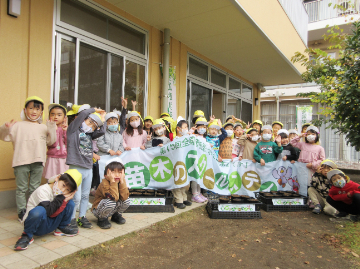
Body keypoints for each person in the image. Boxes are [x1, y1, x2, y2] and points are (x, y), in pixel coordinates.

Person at [0, 96, 57, 220]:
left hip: (38, 161)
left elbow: (51, 141)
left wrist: (51, 127)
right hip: (21, 161)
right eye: (31, 108)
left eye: (37, 109)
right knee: (21, 189)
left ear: (41, 112)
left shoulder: (43, 127)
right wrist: (5, 127)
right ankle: (21, 211)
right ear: (25, 110)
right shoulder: (17, 126)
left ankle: (32, 210)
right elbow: (3, 136)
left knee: (34, 188)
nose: (34, 111)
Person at [14, 169, 82, 250]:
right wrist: (62, 198)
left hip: (50, 224)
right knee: (40, 210)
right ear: (57, 179)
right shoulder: (43, 190)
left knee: (70, 203)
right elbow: (49, 211)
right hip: (37, 227)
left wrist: (65, 200)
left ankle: (61, 228)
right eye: (63, 185)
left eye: (67, 190)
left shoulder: (60, 195)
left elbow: (54, 213)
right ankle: (26, 235)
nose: (63, 191)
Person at [66, 107, 106, 230]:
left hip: (88, 167)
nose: (91, 127)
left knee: (84, 196)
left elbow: (102, 131)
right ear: (82, 120)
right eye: (89, 122)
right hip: (75, 167)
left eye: (94, 126)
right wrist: (94, 110)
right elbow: (83, 113)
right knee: (76, 196)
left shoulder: (89, 134)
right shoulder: (73, 131)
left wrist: (102, 119)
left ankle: (82, 217)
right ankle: (71, 218)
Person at [92, 158, 130, 229]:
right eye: (113, 172)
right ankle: (102, 219)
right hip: (99, 210)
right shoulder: (104, 183)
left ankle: (116, 215)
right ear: (106, 175)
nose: (117, 175)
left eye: (119, 172)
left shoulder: (121, 181)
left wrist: (122, 182)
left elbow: (124, 197)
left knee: (127, 200)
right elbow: (113, 197)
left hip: (111, 209)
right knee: (111, 202)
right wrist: (113, 182)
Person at [43, 104, 69, 180]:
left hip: (64, 158)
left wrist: (65, 131)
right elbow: (52, 144)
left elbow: (68, 144)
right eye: (53, 114)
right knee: (52, 180)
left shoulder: (67, 128)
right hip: (52, 158)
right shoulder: (48, 129)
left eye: (59, 115)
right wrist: (55, 130)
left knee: (64, 180)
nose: (56, 117)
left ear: (64, 117)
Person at [171, 118, 192, 209]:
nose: (186, 129)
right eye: (185, 127)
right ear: (178, 129)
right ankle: (178, 200)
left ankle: (184, 198)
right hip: (177, 163)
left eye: (187, 127)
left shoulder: (188, 138)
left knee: (185, 182)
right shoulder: (176, 139)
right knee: (178, 182)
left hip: (185, 163)